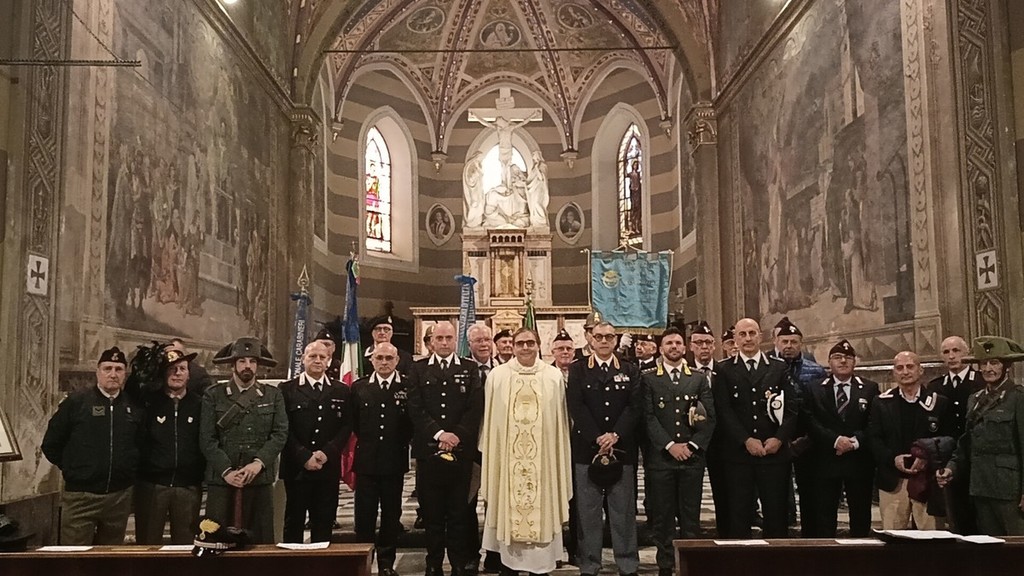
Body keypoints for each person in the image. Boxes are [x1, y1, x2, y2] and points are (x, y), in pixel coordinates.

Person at [480, 327, 572, 576]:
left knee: (543, 517)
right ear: (512, 346)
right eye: (520, 343)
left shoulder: (552, 377)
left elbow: (559, 424)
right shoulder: (498, 376)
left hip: (544, 464)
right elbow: (491, 424)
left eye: (530, 343)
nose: (525, 347)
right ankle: (508, 567)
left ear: (538, 345)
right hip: (507, 463)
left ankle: (540, 568)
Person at [407, 321, 484, 576]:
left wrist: (456, 436)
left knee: (459, 512)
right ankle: (434, 563)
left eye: (448, 338)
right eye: (438, 338)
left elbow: (474, 408)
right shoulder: (417, 369)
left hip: (461, 453)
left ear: (455, 340)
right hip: (429, 452)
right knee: (432, 513)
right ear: (430, 341)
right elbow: (415, 407)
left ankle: (458, 563)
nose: (443, 342)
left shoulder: (469, 368)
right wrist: (440, 434)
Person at [42, 347, 139, 545]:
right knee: (75, 556)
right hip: (81, 497)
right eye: (107, 368)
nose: (113, 374)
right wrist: (74, 468)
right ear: (98, 372)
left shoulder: (133, 406)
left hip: (119, 497)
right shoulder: (77, 402)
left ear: (125, 374)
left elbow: (140, 444)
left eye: (119, 369)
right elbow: (51, 443)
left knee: (111, 556)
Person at [711, 318, 798, 538]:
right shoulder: (724, 369)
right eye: (742, 334)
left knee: (776, 514)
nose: (748, 338)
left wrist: (779, 438)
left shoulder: (778, 367)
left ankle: (775, 558)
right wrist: (745, 439)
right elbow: (724, 410)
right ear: (735, 339)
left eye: (752, 333)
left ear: (760, 336)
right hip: (739, 455)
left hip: (773, 452)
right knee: (738, 515)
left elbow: (791, 408)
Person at [567, 321, 641, 576]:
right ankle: (589, 564)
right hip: (588, 450)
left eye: (609, 336)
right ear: (590, 339)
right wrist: (598, 437)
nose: (604, 341)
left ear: (615, 339)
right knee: (588, 513)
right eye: (599, 336)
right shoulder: (578, 369)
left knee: (623, 512)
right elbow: (576, 406)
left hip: (622, 449)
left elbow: (634, 406)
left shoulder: (629, 369)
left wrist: (615, 435)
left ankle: (627, 564)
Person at [200, 337, 287, 543]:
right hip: (222, 482)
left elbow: (280, 433)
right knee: (217, 542)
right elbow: (207, 438)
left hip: (259, 479)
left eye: (252, 361)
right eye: (242, 361)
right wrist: (227, 471)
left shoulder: (273, 395)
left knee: (261, 542)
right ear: (233, 365)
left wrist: (258, 463)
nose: (247, 366)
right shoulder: (214, 395)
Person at [642, 328, 715, 576]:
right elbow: (648, 417)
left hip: (691, 458)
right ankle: (665, 565)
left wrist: (692, 445)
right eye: (669, 343)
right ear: (661, 348)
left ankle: (690, 564)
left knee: (690, 516)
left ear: (685, 348)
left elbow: (709, 416)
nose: (674, 346)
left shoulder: (697, 378)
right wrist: (670, 445)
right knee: (662, 517)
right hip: (661, 458)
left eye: (677, 342)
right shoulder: (649, 378)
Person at [937, 336, 1024, 536]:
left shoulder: (1018, 398)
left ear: (1006, 366)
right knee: (989, 547)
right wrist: (951, 468)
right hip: (980, 488)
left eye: (994, 363)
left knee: (1017, 546)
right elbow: (966, 443)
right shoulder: (975, 399)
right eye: (983, 363)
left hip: (1009, 491)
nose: (988, 369)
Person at [801, 339, 879, 537]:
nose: (843, 361)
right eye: (837, 357)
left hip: (858, 460)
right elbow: (810, 420)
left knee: (860, 515)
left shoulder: (869, 388)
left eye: (848, 357)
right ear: (829, 362)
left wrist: (854, 442)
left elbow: (874, 422)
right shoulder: (814, 388)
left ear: (855, 362)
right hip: (826, 459)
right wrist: (835, 440)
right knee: (824, 516)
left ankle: (860, 553)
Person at [868, 351, 953, 530]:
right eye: (900, 368)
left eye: (910, 366)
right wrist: (893, 459)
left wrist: (926, 458)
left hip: (927, 481)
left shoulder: (939, 402)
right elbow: (874, 439)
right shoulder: (880, 403)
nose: (905, 371)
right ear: (894, 372)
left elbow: (948, 440)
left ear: (920, 370)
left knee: (931, 538)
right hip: (893, 481)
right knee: (892, 537)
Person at [280, 341, 352, 543]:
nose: (318, 360)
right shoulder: (287, 389)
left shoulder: (341, 390)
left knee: (324, 522)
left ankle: (320, 561)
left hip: (327, 466)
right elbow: (283, 427)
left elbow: (347, 426)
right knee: (294, 522)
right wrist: (303, 456)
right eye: (312, 356)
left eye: (322, 357)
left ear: (329, 361)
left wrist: (327, 452)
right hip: (296, 468)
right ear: (303, 359)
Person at [351, 343, 414, 576]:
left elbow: (411, 423)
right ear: (372, 360)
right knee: (364, 516)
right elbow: (354, 423)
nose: (384, 362)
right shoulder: (359, 388)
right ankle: (362, 562)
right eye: (380, 358)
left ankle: (387, 563)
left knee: (391, 515)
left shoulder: (407, 386)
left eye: (389, 358)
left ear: (397, 360)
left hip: (394, 460)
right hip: (367, 461)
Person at [135, 345, 205, 544]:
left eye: (182, 369)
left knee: (185, 546)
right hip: (153, 486)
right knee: (147, 545)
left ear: (189, 374)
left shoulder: (200, 404)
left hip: (188, 486)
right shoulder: (149, 403)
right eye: (172, 369)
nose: (177, 373)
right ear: (163, 373)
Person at [771, 317, 827, 537]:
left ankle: (811, 538)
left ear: (801, 344)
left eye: (793, 342)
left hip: (807, 440)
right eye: (784, 341)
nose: (789, 346)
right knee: (776, 493)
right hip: (776, 438)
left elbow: (821, 409)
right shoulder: (768, 367)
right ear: (776, 342)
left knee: (810, 493)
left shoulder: (816, 371)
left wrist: (807, 439)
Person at [929, 335, 982, 533]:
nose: (951, 356)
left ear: (967, 353)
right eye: (946, 352)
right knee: (953, 518)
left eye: (956, 350)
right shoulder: (935, 387)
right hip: (948, 460)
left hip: (977, 460)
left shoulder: (981, 381)